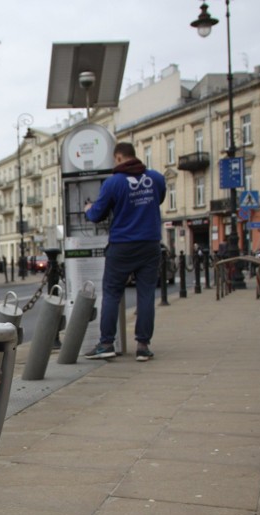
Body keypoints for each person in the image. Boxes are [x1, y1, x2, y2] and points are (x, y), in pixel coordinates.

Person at [83, 142, 166, 362]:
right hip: (150, 243)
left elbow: (97, 215)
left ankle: (107, 343)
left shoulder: (113, 183)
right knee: (146, 294)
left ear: (119, 158)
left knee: (111, 293)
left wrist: (88, 210)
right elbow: (160, 199)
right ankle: (143, 346)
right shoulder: (156, 178)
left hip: (122, 245)